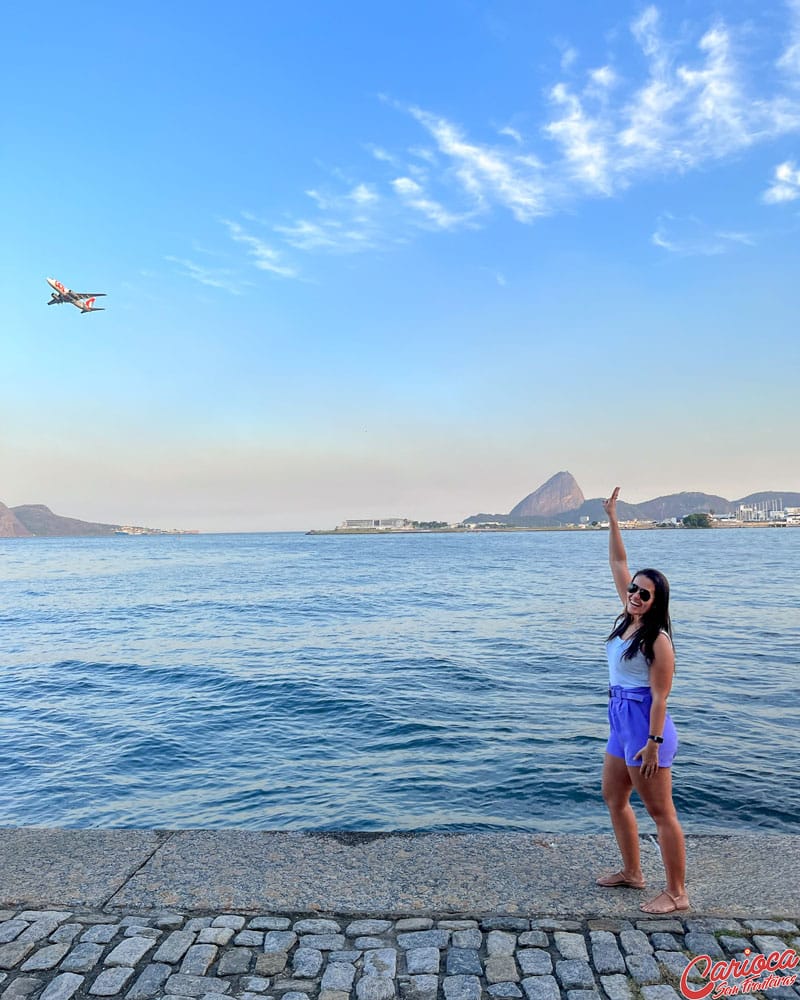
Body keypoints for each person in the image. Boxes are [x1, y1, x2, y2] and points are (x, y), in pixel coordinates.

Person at [595, 486, 690, 914]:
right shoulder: (627, 619)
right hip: (620, 718)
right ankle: (633, 873)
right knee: (614, 798)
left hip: (644, 723)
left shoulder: (659, 640)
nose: (635, 595)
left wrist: (652, 741)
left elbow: (660, 696)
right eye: (634, 589)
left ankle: (677, 893)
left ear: (657, 602)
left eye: (644, 594)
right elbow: (618, 562)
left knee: (660, 811)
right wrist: (614, 518)